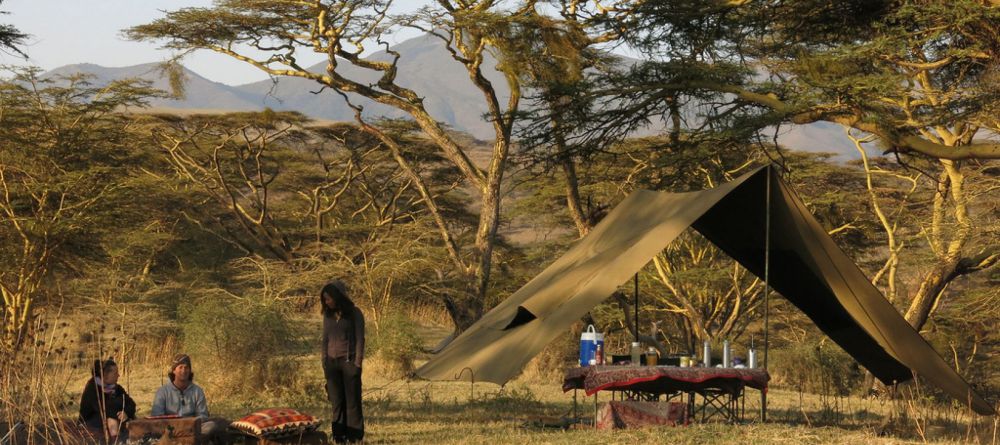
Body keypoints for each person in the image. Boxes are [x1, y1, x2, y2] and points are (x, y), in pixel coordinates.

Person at [320, 280, 365, 444]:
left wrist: (357, 363)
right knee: (336, 401)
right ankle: (339, 436)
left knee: (352, 402)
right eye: (324, 299)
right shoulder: (327, 315)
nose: (326, 302)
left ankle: (355, 436)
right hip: (331, 364)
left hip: (350, 363)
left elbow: (360, 339)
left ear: (337, 297)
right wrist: (324, 360)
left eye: (328, 298)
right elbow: (325, 339)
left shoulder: (355, 313)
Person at [151, 354, 229, 444]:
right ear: (174, 371)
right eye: (180, 367)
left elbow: (203, 415)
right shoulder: (163, 391)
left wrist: (189, 425)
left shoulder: (197, 391)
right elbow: (156, 417)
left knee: (211, 426)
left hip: (192, 430)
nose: (184, 371)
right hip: (170, 430)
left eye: (186, 367)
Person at [79, 358, 136, 443]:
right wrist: (118, 411)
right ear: (105, 375)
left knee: (133, 420)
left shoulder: (117, 388)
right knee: (111, 419)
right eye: (115, 373)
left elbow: (131, 404)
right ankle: (116, 442)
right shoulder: (92, 389)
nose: (118, 375)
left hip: (112, 420)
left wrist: (126, 413)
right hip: (91, 422)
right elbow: (103, 410)